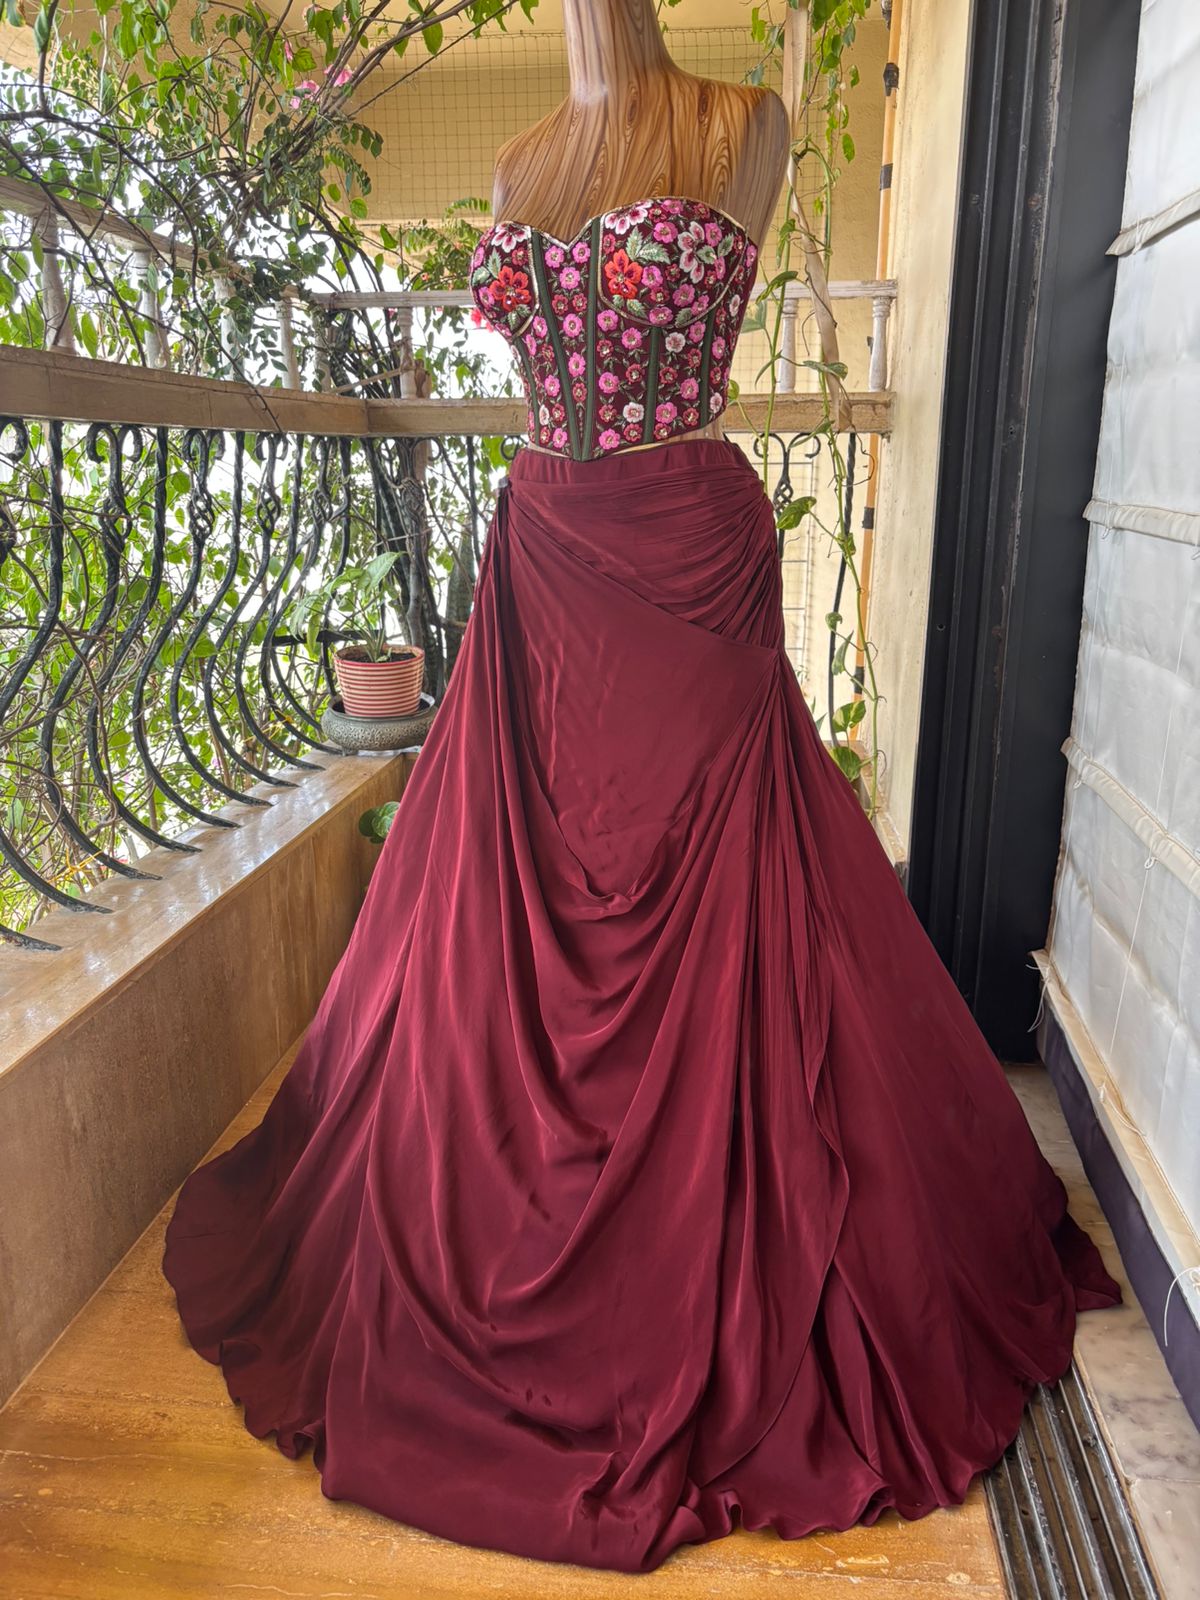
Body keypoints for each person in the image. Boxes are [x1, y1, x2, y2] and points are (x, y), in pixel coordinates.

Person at [163, 1, 1123, 1574]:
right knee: (519, 897)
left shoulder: (745, 124)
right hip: (543, 556)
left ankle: (715, 1229)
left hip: (681, 547)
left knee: (718, 878)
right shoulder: (525, 158)